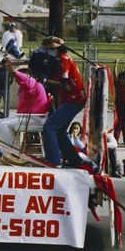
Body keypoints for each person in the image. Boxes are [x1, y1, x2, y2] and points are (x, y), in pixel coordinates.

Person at [0, 58, 50, 157]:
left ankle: (10, 153)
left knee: (4, 125)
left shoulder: (33, 83)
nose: (16, 78)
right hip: (28, 117)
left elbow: (26, 81)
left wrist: (13, 71)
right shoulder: (24, 87)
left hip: (35, 119)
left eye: (20, 75)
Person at [42, 38, 88, 169]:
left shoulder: (64, 60)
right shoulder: (64, 59)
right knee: (59, 131)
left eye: (48, 49)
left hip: (74, 99)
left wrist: (46, 81)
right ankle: (75, 159)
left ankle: (54, 161)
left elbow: (64, 82)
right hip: (73, 99)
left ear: (55, 50)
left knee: (49, 127)